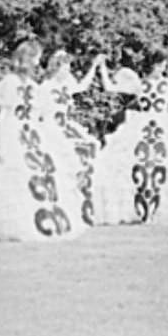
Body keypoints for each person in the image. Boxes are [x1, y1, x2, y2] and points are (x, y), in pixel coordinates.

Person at [0, 40, 87, 240]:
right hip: (13, 132)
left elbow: (39, 116)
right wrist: (2, 145)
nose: (38, 63)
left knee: (39, 174)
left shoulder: (33, 86)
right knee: (12, 174)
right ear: (29, 59)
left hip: (31, 135)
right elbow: (5, 116)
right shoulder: (10, 83)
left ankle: (39, 222)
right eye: (37, 58)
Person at [93, 48, 168, 225]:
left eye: (163, 64)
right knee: (136, 165)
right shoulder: (140, 84)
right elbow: (110, 88)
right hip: (141, 126)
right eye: (160, 63)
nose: (162, 67)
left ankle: (161, 209)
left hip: (164, 126)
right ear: (154, 65)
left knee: (167, 165)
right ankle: (140, 209)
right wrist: (101, 68)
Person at [40, 50, 105, 226]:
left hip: (66, 127)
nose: (68, 70)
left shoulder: (67, 84)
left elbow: (83, 85)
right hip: (52, 128)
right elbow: (39, 112)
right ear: (56, 67)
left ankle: (81, 203)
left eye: (69, 66)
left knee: (90, 147)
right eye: (65, 66)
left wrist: (94, 67)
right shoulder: (46, 87)